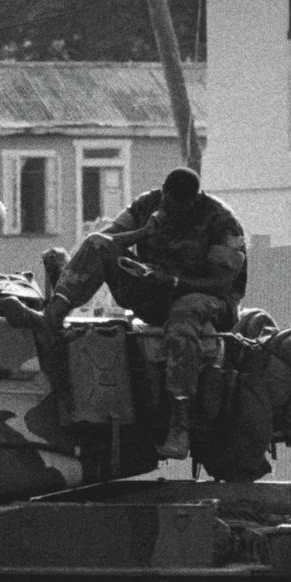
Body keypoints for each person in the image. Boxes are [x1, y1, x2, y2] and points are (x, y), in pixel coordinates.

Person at [41, 166, 248, 460]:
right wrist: (143, 233)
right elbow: (110, 237)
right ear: (163, 193)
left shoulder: (222, 221)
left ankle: (180, 425)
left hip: (208, 301)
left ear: (193, 201)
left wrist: (174, 281)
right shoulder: (147, 205)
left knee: (184, 315)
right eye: (168, 203)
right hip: (154, 289)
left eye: (179, 208)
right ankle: (51, 318)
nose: (171, 211)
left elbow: (222, 282)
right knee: (96, 244)